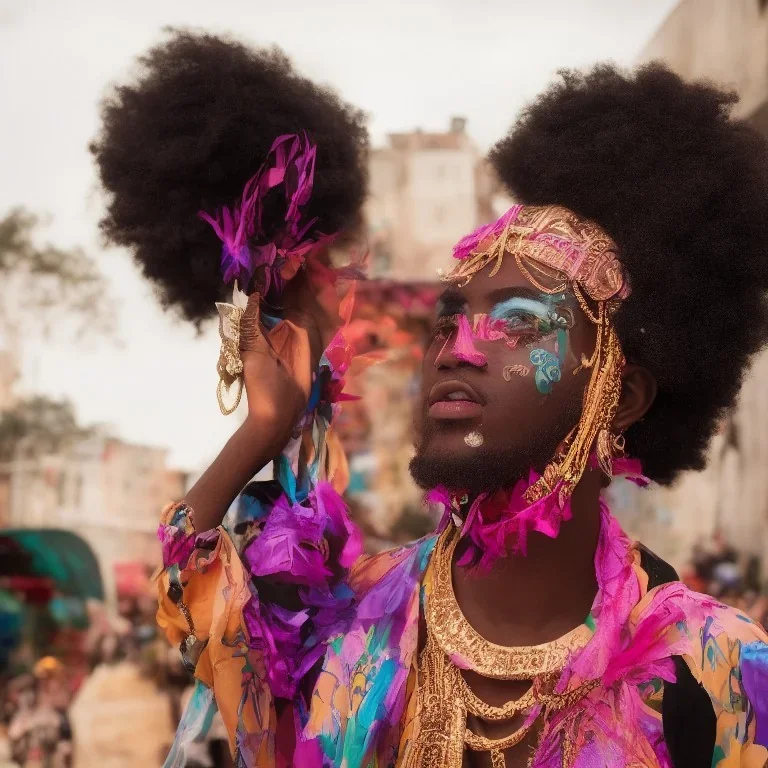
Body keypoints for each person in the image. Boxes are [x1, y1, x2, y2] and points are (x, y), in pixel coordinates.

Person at [90, 30, 768, 768]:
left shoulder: (719, 670)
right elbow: (193, 612)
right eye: (449, 320)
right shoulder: (355, 626)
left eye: (516, 323)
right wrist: (262, 428)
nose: (459, 346)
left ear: (623, 392)